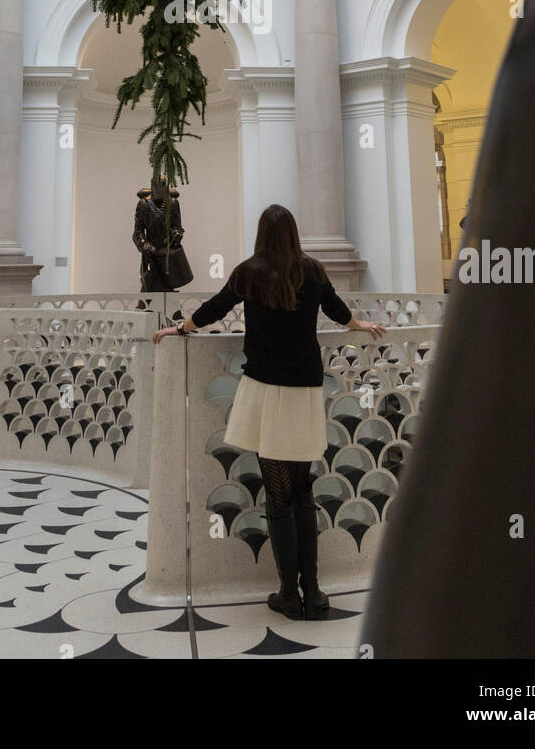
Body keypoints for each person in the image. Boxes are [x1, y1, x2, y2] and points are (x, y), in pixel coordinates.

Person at [152, 204, 385, 620]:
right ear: (294, 233)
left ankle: (287, 593)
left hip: (264, 389)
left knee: (278, 495)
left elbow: (215, 309)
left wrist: (179, 328)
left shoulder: (249, 271)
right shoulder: (312, 271)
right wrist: (360, 324)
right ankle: (313, 592)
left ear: (261, 234)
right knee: (303, 490)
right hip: (304, 391)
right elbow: (335, 310)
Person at [133, 176, 193, 293]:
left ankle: (172, 310)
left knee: (169, 286)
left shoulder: (173, 203)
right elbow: (138, 232)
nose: (159, 189)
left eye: (163, 185)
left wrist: (177, 234)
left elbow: (177, 226)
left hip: (168, 253)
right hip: (151, 253)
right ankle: (146, 308)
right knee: (149, 284)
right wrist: (145, 245)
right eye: (157, 185)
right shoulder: (144, 204)